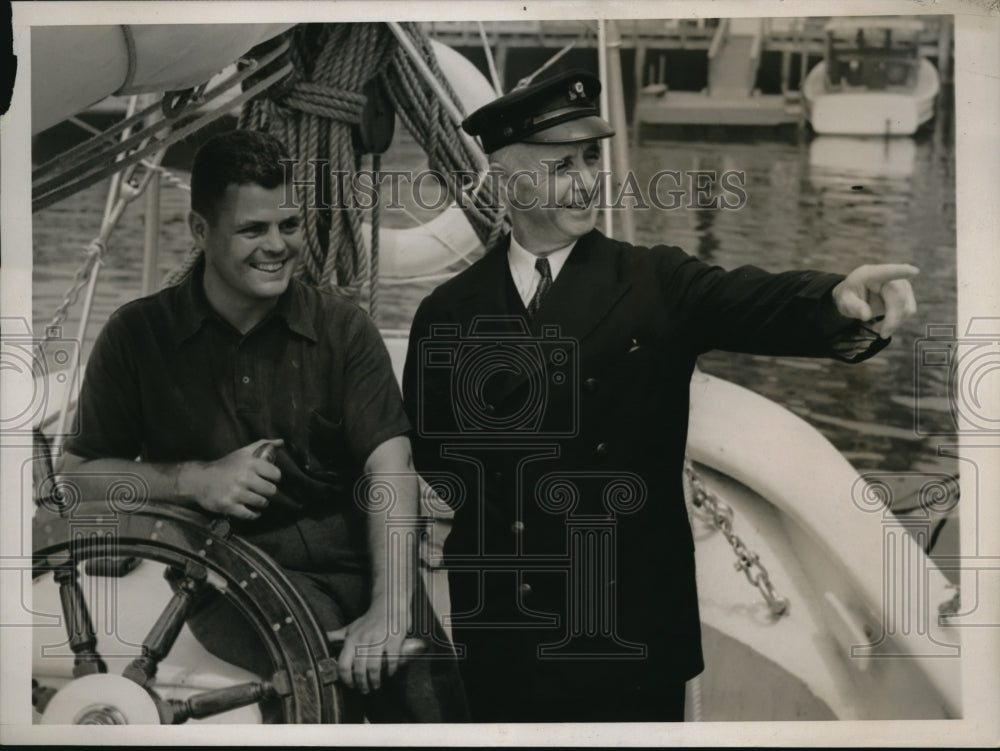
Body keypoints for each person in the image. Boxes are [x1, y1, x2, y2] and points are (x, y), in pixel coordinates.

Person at [401, 70, 918, 723]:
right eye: (562, 167)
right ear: (508, 182)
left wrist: (837, 299)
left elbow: (750, 301)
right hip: (507, 634)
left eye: (591, 159)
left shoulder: (655, 282)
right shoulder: (449, 312)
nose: (587, 181)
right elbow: (439, 455)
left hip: (629, 634)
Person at [59, 129, 468, 723]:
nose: (277, 246)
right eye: (253, 229)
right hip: (226, 575)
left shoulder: (344, 329)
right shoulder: (136, 337)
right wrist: (195, 480)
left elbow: (391, 468)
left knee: (437, 698)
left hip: (360, 563)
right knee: (322, 682)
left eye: (289, 224)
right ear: (200, 231)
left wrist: (390, 610)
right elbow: (76, 481)